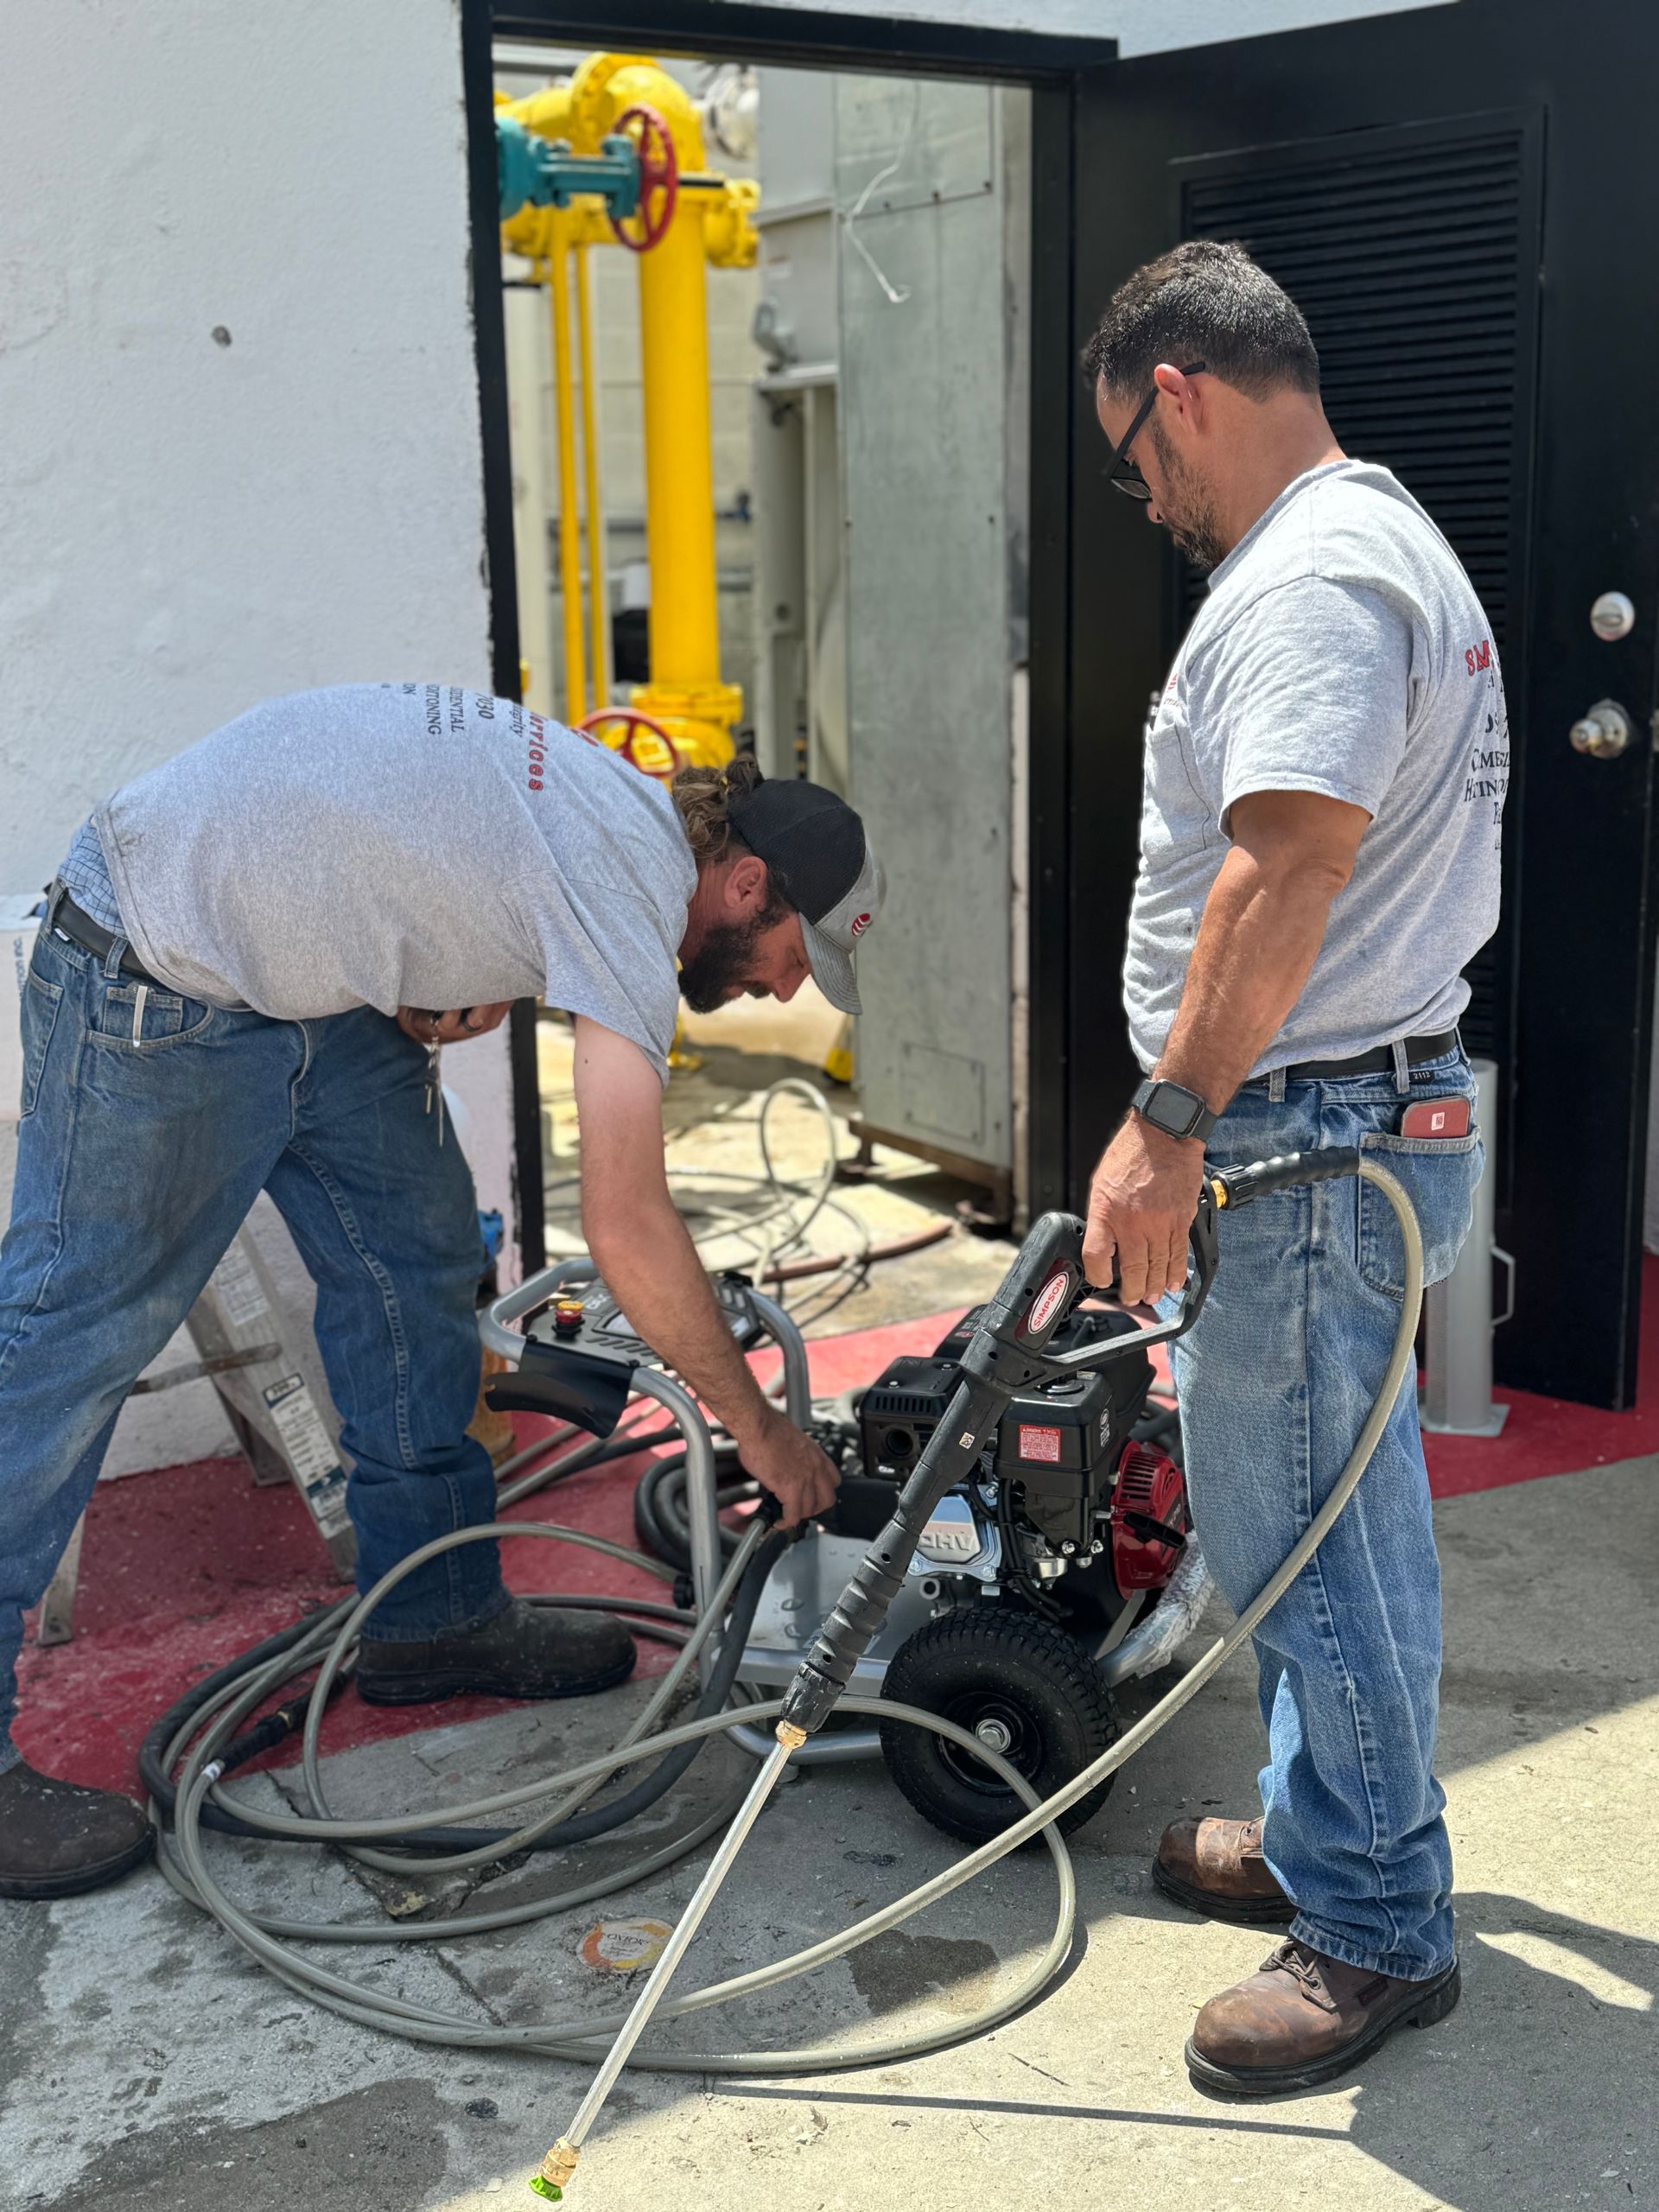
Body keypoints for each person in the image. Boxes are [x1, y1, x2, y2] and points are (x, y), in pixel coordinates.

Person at [0, 683, 879, 1899]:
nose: (788, 992)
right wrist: (764, 1433)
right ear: (745, 888)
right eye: (796, 957)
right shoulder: (629, 878)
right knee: (62, 1347)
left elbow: (426, 843)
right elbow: (627, 1222)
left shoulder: (617, 821)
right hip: (154, 970)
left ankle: (433, 1611)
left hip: (300, 1000)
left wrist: (434, 961)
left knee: (417, 1264)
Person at [1081, 242, 1502, 2096]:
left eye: (1134, 454)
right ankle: (1334, 1828)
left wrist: (1165, 1120)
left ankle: (1376, 1927)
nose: (1141, 496)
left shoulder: (1320, 576)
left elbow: (1289, 864)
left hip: (1303, 1135)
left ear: (1179, 389)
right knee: (1341, 1513)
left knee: (1302, 1535)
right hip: (1350, 1124)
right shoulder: (1376, 536)